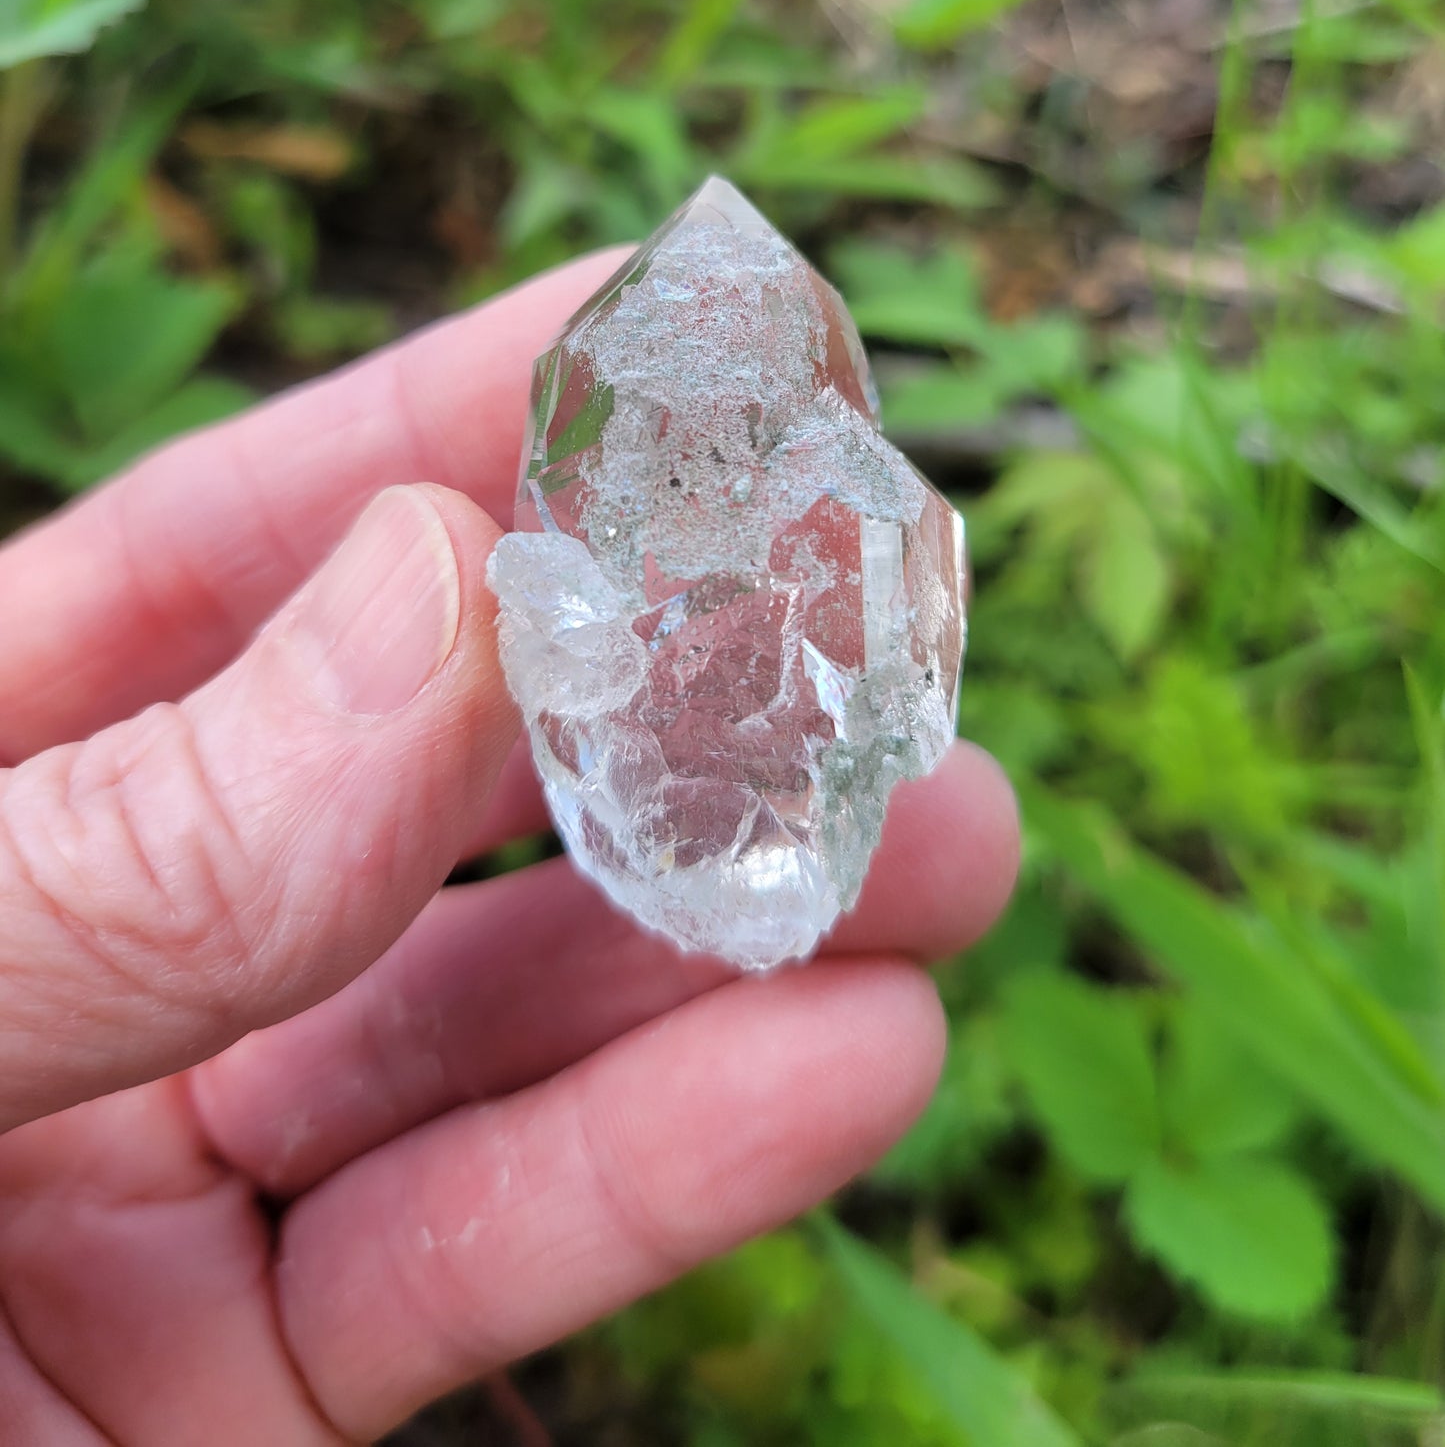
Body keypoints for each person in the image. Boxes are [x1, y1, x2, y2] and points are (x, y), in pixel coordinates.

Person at [0, 250, 1019, 1443]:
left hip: (750, 819)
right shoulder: (661, 516)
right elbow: (554, 607)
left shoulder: (846, 494)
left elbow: (895, 640)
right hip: (681, 809)